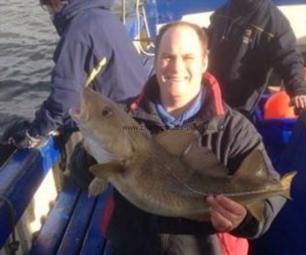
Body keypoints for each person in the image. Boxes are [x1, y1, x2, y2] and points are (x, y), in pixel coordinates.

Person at [103, 21, 286, 255]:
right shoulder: (124, 118)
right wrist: (90, 151)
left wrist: (244, 219)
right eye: (167, 56)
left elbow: (273, 191)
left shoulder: (234, 130)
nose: (176, 67)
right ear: (155, 61)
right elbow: (82, 174)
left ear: (204, 62)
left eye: (188, 57)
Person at [9, 0, 147, 148]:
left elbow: (64, 98)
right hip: (141, 117)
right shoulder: (105, 17)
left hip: (124, 126)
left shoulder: (77, 33)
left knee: (79, 165)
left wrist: (34, 133)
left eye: (48, 7)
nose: (50, 13)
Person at [207, 0, 306, 118]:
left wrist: (298, 91)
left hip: (240, 107)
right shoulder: (223, 11)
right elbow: (205, 40)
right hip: (211, 95)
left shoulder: (274, 21)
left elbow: (290, 58)